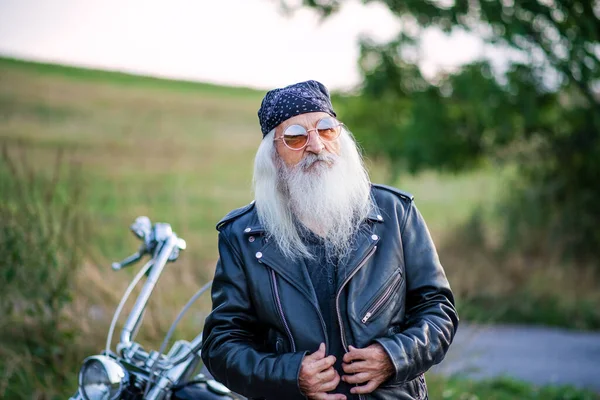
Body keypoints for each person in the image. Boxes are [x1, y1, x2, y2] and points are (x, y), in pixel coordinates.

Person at [201, 80, 458, 400]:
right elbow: (221, 345)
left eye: (326, 129)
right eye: (295, 136)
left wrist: (392, 358)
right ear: (274, 157)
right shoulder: (242, 236)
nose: (316, 145)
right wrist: (289, 375)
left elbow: (438, 311)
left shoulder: (394, 213)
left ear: (340, 138)